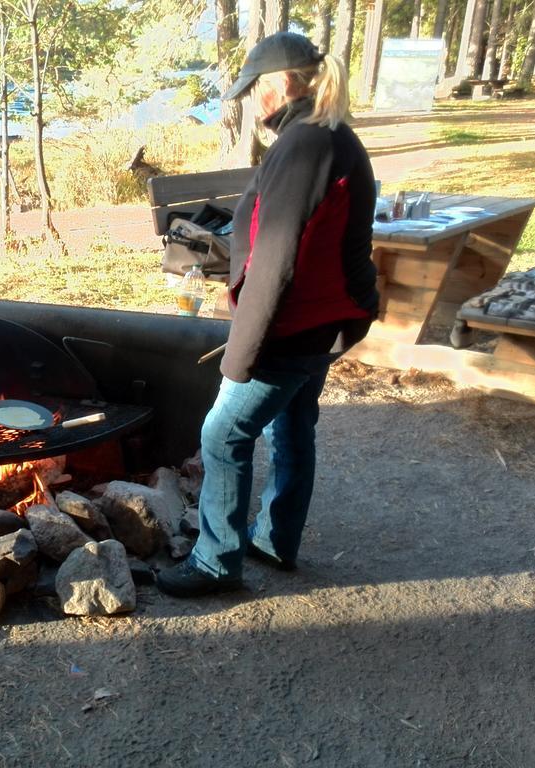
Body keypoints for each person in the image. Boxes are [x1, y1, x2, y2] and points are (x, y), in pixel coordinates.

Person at [157, 32, 380, 597]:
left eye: (255, 87)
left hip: (293, 326)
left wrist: (241, 353)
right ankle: (276, 539)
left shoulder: (305, 144)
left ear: (282, 83)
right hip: (321, 323)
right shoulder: (327, 137)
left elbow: (277, 260)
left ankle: (215, 561)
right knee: (291, 428)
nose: (252, 99)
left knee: (222, 433)